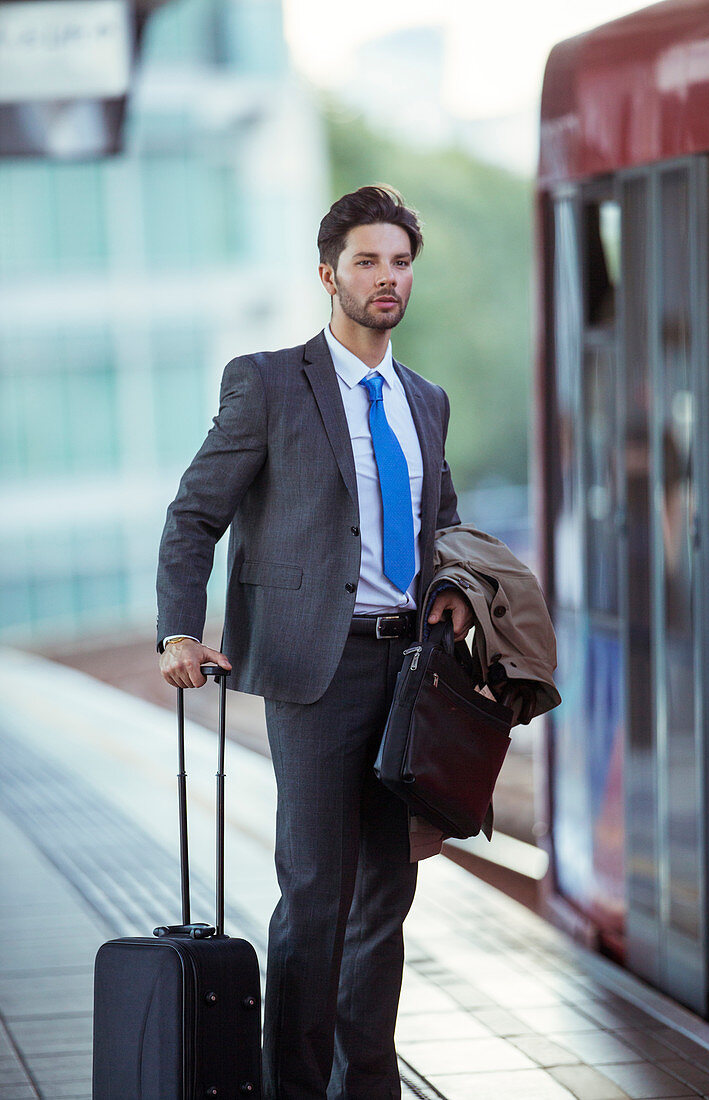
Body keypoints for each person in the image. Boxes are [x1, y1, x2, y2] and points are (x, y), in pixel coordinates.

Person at [157, 185, 472, 1099]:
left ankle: (366, 1085)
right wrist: (182, 627)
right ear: (328, 272)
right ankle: (292, 1089)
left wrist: (452, 597)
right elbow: (193, 518)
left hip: (408, 671)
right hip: (313, 674)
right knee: (315, 894)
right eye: (368, 261)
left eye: (401, 262)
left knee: (386, 897)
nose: (387, 279)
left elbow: (441, 523)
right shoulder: (266, 382)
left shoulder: (426, 398)